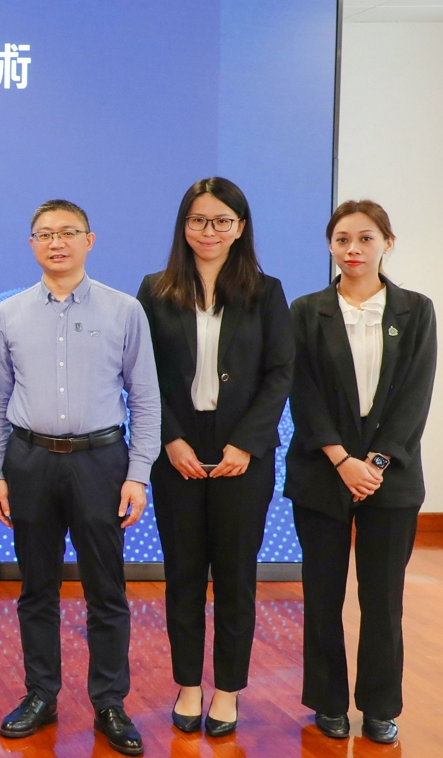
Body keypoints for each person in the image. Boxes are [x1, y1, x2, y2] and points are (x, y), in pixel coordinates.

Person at [0, 199, 160, 756]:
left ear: (90, 240)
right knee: (36, 588)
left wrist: (138, 474)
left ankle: (109, 702)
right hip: (29, 461)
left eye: (68, 232)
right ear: (32, 244)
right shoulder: (9, 313)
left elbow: (145, 398)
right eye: (45, 234)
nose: (56, 243)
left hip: (101, 462)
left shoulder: (125, 310)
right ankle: (41, 694)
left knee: (106, 590)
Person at [135, 177, 293, 736]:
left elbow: (280, 373)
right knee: (182, 574)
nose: (210, 231)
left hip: (243, 454)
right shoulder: (154, 290)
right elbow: (142, 374)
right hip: (176, 449)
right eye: (199, 220)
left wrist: (246, 443)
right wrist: (170, 439)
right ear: (184, 226)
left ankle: (227, 691)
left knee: (234, 578)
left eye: (222, 221)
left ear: (240, 227)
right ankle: (188, 685)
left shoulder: (266, 291)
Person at [288, 200, 436, 745]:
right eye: (342, 239)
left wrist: (373, 464)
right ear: (330, 245)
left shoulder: (416, 310)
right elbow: (302, 393)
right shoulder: (306, 311)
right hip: (321, 472)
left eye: (365, 238)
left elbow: (415, 395)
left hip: (389, 479)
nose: (353, 249)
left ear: (387, 243)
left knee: (383, 600)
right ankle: (328, 701)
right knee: (322, 596)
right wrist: (341, 459)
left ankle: (379, 706)